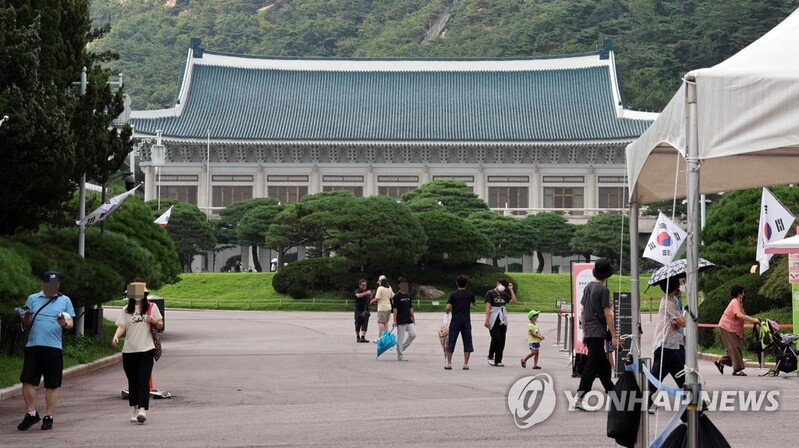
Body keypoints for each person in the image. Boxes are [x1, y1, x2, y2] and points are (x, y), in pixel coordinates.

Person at [17, 271, 75, 431]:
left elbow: (70, 324)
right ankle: (31, 413)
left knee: (52, 383)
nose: (52, 288)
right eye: (49, 285)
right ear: (43, 284)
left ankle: (49, 416)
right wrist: (26, 316)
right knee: (27, 380)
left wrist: (64, 323)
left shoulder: (65, 300)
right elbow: (27, 323)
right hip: (33, 346)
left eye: (55, 285)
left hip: (54, 347)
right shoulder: (33, 298)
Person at [113, 279, 164, 423]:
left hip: (146, 349)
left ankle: (142, 409)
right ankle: (135, 407)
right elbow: (122, 326)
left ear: (144, 293)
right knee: (133, 380)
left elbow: (160, 324)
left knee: (143, 380)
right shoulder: (126, 309)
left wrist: (153, 320)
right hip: (129, 350)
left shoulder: (152, 307)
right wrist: (116, 336)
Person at [575, 258, 618, 411]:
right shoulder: (603, 290)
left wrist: (585, 333)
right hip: (598, 331)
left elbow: (582, 312)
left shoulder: (588, 287)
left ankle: (614, 394)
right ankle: (580, 397)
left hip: (590, 331)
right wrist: (614, 335)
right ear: (606, 274)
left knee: (603, 365)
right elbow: (607, 313)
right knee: (591, 366)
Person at [648, 275, 686, 409]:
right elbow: (683, 322)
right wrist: (683, 318)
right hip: (665, 345)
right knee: (656, 375)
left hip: (673, 345)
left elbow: (677, 323)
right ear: (674, 287)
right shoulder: (668, 302)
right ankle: (643, 400)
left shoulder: (672, 300)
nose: (682, 284)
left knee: (681, 374)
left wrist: (677, 321)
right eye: (680, 282)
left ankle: (695, 400)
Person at [716, 284, 760, 376]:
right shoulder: (734, 302)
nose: (744, 294)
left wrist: (754, 321)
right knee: (735, 348)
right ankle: (737, 370)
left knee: (733, 349)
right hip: (727, 327)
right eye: (743, 292)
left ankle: (720, 361)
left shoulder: (739, 303)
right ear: (739, 294)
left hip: (732, 329)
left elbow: (743, 316)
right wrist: (753, 319)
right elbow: (739, 315)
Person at [444, 275, 476, 370]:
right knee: (467, 342)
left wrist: (447, 311)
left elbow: (448, 308)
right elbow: (474, 303)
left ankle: (449, 363)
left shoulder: (453, 295)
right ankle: (465, 363)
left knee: (451, 341)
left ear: (457, 283)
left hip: (455, 321)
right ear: (466, 284)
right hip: (466, 321)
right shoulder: (470, 295)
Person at [484, 278, 516, 366]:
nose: (503, 287)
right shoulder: (490, 293)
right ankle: (491, 356)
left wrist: (511, 289)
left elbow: (513, 300)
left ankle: (498, 360)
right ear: (497, 283)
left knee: (502, 340)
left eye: (505, 286)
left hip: (502, 320)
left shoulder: (504, 295)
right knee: (495, 338)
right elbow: (488, 307)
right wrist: (487, 320)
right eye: (502, 285)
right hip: (493, 319)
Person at [392, 277, 416, 361]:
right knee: (400, 338)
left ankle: (401, 348)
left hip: (408, 319)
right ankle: (400, 355)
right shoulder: (396, 296)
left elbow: (410, 307)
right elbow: (395, 309)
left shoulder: (408, 295)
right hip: (400, 319)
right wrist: (394, 320)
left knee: (413, 334)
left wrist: (413, 318)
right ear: (399, 285)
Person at [372, 275, 393, 340]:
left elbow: (377, 298)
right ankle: (385, 338)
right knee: (386, 322)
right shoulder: (389, 287)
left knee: (381, 322)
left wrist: (372, 301)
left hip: (382, 307)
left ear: (381, 281)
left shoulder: (380, 288)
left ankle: (380, 338)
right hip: (388, 307)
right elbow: (392, 296)